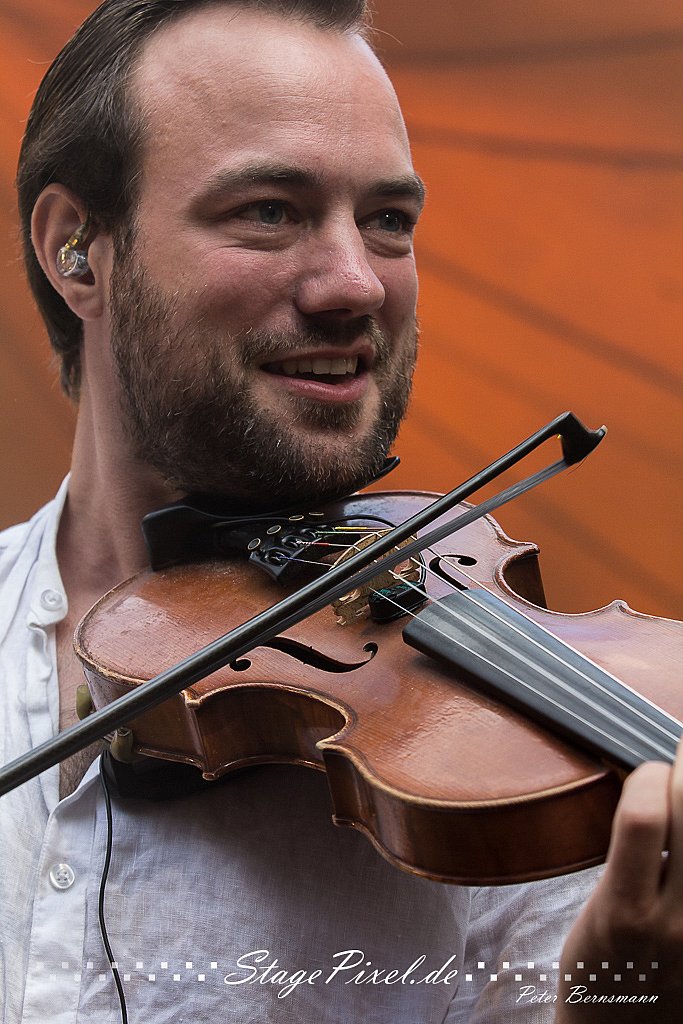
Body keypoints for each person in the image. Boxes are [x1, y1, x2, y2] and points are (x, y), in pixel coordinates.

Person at [1, 1, 680, 1021]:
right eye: (270, 210)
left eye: (387, 220)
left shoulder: (541, 783)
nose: (356, 284)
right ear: (77, 249)